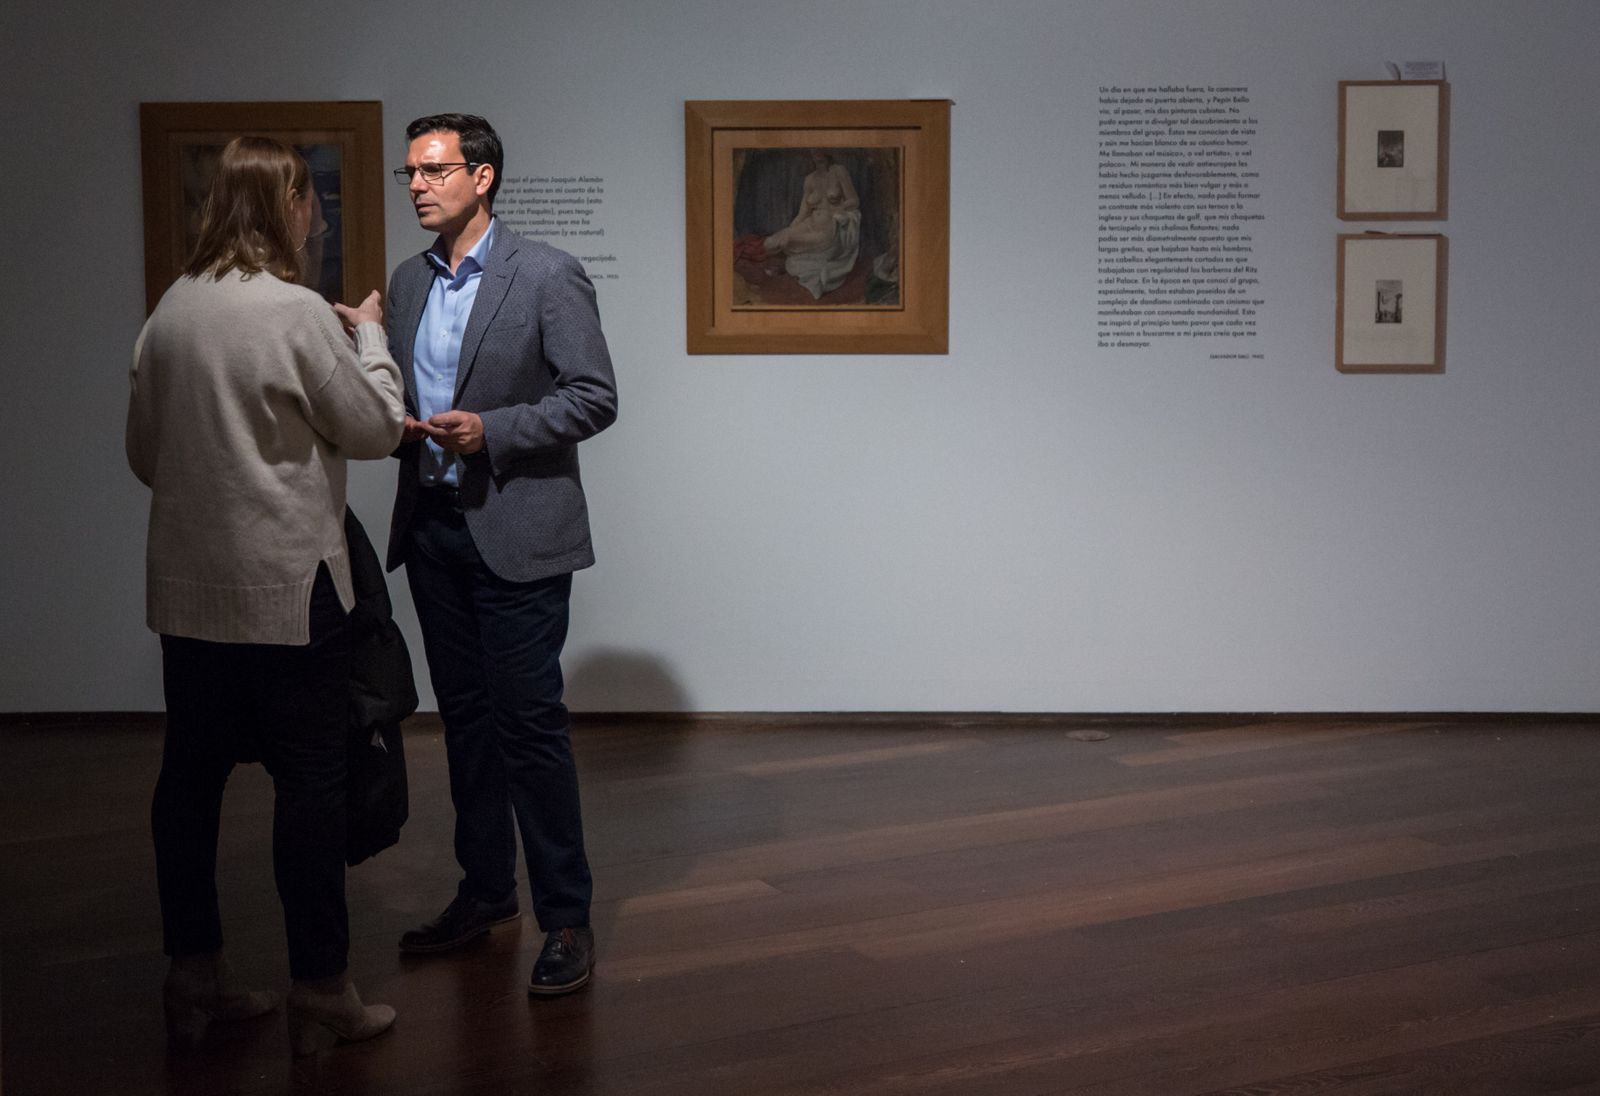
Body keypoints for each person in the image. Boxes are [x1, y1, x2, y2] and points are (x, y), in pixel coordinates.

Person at [126, 136, 405, 1055]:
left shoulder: (171, 310)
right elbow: (375, 429)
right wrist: (371, 336)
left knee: (189, 783)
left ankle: (192, 976)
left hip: (189, 595)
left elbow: (143, 456)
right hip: (290, 593)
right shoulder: (295, 313)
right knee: (312, 785)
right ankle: (321, 988)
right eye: (309, 199)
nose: (316, 214)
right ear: (287, 206)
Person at [384, 114, 617, 996]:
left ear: (482, 177)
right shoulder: (408, 282)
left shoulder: (547, 273)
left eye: (433, 169)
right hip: (434, 530)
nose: (417, 185)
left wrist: (494, 430)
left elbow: (594, 395)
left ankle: (566, 917)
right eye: (410, 172)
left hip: (518, 530)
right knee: (466, 725)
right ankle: (486, 891)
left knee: (529, 728)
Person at [761, 150, 861, 298]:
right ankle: (787, 262)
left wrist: (837, 212)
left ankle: (786, 265)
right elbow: (803, 213)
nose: (816, 153)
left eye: (820, 149)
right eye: (813, 151)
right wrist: (789, 230)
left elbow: (854, 201)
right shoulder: (810, 179)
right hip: (810, 223)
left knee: (786, 241)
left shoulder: (838, 171)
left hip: (828, 229)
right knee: (769, 243)